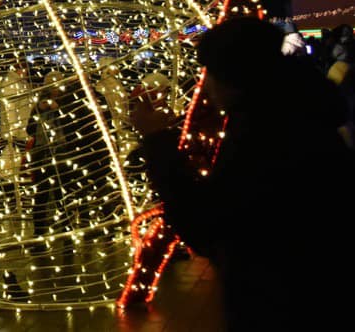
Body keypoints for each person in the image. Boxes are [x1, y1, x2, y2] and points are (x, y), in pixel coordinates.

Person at [131, 17, 355, 329]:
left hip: (282, 308)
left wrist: (156, 140)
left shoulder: (265, 136)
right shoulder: (303, 113)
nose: (207, 86)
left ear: (234, 77)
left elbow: (207, 227)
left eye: (211, 73)